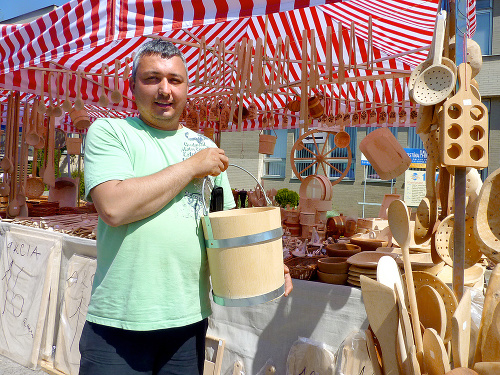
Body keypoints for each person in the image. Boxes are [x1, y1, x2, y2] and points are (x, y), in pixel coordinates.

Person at [79, 39, 292, 375]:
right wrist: (191, 167)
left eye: (175, 80)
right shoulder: (111, 132)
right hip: (119, 324)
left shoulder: (205, 148)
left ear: (186, 89)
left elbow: (225, 228)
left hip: (187, 322)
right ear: (132, 86)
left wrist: (263, 262)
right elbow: (114, 207)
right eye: (152, 79)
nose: (165, 90)